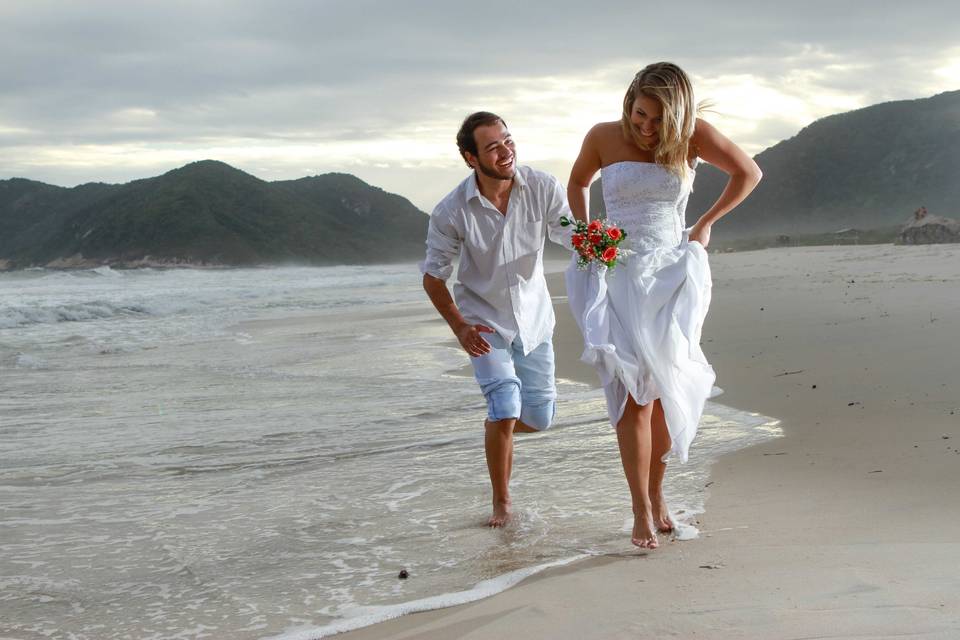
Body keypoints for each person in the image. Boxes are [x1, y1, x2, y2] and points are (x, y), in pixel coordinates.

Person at [565, 62, 762, 548]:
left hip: (670, 276)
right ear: (629, 99)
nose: (647, 127)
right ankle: (639, 511)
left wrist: (705, 224)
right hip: (616, 274)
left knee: (664, 389)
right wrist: (587, 229)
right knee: (633, 390)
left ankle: (658, 495)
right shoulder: (602, 136)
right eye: (640, 115)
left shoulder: (693, 136)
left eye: (658, 119)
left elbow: (748, 172)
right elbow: (577, 183)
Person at [420, 111, 572, 527]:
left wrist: (604, 245)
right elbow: (433, 278)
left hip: (535, 320)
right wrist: (460, 327)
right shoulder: (451, 211)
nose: (505, 152)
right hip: (484, 322)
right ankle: (502, 503)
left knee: (539, 418)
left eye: (507, 141)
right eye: (492, 147)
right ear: (472, 158)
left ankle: (496, 434)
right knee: (505, 405)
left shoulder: (542, 186)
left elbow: (568, 234)